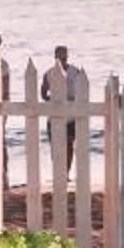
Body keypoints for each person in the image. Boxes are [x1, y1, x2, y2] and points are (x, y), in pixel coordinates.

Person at [38, 43, 88, 175]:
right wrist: (53, 100)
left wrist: (71, 100)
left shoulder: (75, 72)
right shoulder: (48, 73)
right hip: (54, 116)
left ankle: (66, 173)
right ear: (55, 56)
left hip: (71, 116)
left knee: (69, 145)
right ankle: (59, 172)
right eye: (59, 56)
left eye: (64, 56)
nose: (61, 58)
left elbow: (81, 92)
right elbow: (43, 94)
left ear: (67, 56)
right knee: (55, 147)